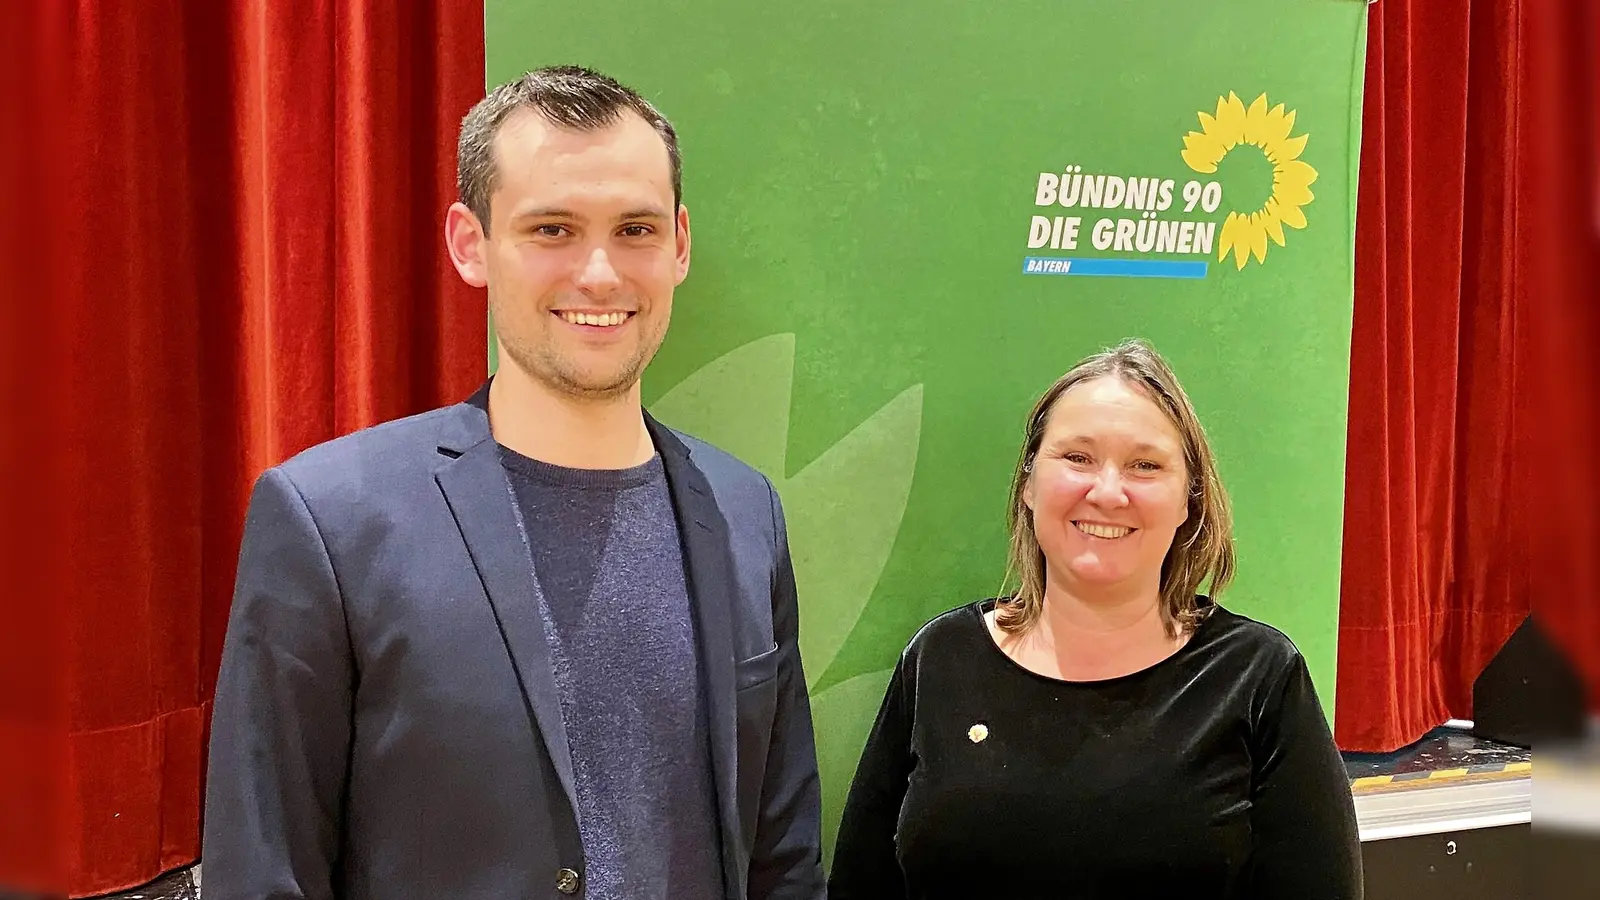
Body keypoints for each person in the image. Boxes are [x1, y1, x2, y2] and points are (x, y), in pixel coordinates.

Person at [203, 66, 826, 900]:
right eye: (553, 229)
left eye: (635, 229)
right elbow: (264, 869)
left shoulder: (745, 511)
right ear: (471, 244)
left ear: (680, 244)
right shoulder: (329, 520)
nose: (601, 274)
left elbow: (783, 857)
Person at [827, 339, 1362, 899]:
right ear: (1030, 483)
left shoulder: (1257, 677)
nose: (1107, 491)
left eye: (1145, 465)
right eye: (1077, 457)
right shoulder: (941, 659)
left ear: (1188, 502)